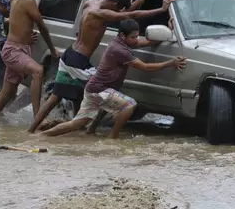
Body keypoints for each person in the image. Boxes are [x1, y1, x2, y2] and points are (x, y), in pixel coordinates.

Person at [27, 0, 176, 133]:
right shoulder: (100, 13)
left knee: (55, 97)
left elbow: (123, 13)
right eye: (118, 9)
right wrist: (161, 9)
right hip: (78, 61)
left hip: (70, 54)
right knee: (106, 89)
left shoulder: (91, 3)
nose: (118, 12)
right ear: (114, 4)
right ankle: (88, 128)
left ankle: (31, 130)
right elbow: (130, 15)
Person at [38, 19, 187, 139]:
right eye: (133, 37)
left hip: (97, 89)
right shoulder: (120, 50)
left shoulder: (120, 43)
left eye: (137, 36)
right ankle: (112, 138)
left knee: (78, 123)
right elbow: (144, 67)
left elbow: (148, 42)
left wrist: (169, 32)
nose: (136, 40)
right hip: (98, 90)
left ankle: (79, 132)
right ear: (123, 36)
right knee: (129, 105)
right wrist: (171, 63)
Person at [0, 0, 82, 126]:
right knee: (38, 71)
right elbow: (42, 27)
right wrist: (52, 50)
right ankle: (38, 119)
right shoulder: (27, 1)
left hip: (16, 48)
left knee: (5, 94)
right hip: (14, 50)